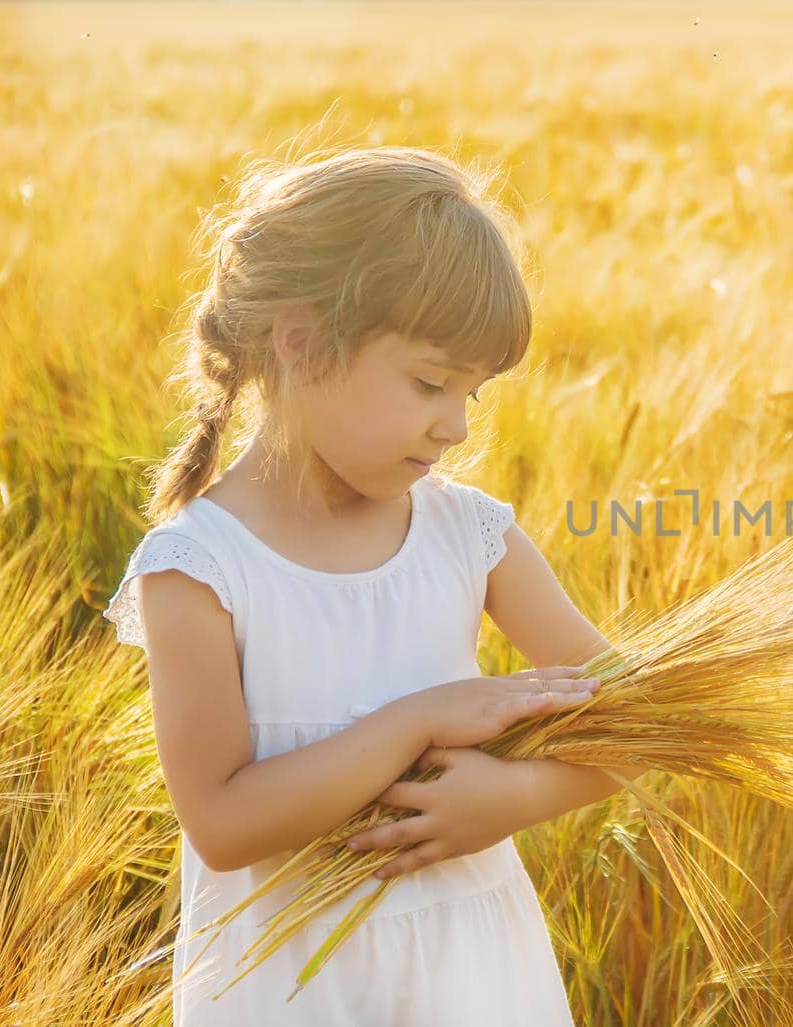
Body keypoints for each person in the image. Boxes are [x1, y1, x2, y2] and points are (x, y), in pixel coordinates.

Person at [101, 145, 643, 1025]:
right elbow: (224, 822)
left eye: (474, 394)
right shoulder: (199, 569)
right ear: (303, 342)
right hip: (291, 987)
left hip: (472, 975)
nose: (458, 426)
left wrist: (510, 800)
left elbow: (638, 720)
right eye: (432, 383)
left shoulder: (472, 535)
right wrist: (422, 718)